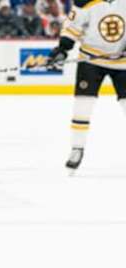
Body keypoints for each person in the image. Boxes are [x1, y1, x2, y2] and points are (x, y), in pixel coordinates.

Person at [48, 0, 126, 173]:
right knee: (82, 106)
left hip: (122, 63)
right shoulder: (85, 1)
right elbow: (72, 26)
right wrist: (63, 48)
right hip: (91, 59)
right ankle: (77, 148)